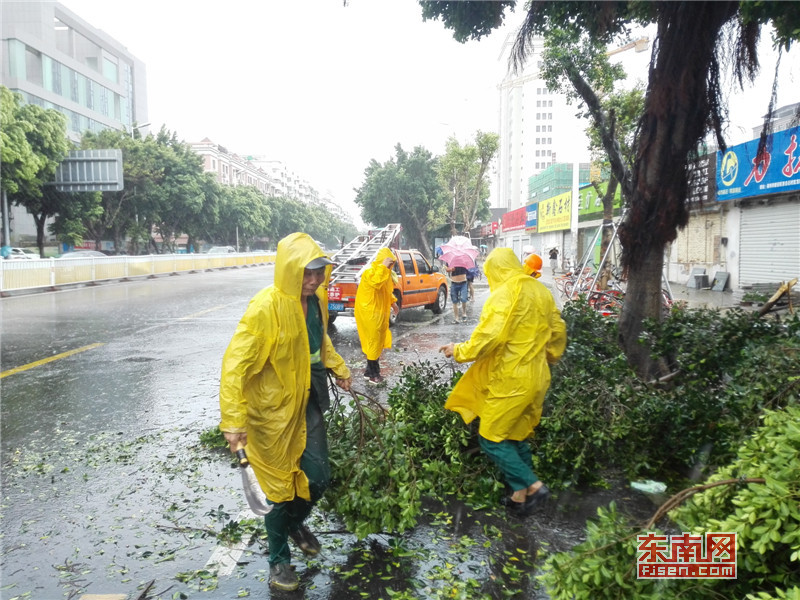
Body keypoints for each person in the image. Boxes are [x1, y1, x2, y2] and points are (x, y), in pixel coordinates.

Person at [219, 232, 352, 592]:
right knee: (279, 491)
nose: (313, 281)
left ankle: (295, 523)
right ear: (289, 272)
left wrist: (338, 367)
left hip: (308, 399)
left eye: (319, 272)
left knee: (319, 477)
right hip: (271, 413)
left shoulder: (318, 299)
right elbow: (235, 365)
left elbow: (319, 340)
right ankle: (279, 561)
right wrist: (233, 421)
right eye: (306, 274)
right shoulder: (265, 308)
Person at [439, 247, 567, 518]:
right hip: (538, 377)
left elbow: (489, 337)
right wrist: (550, 355)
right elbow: (558, 330)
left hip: (512, 379)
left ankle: (535, 486)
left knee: (491, 438)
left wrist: (458, 350)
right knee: (514, 434)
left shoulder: (504, 294)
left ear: (495, 271)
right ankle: (519, 498)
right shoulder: (541, 290)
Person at [355, 247, 397, 384]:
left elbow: (386, 291)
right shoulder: (371, 273)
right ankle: (374, 374)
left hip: (378, 312)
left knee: (377, 342)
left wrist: (393, 303)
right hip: (370, 313)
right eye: (389, 263)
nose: (390, 266)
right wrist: (384, 266)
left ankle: (368, 372)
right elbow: (376, 283)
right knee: (373, 342)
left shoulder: (384, 273)